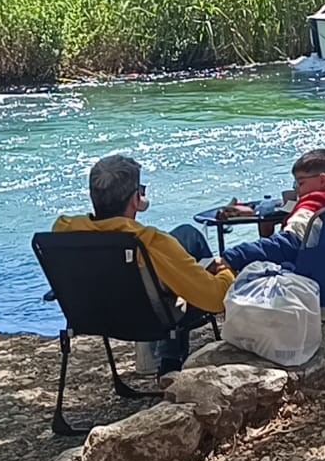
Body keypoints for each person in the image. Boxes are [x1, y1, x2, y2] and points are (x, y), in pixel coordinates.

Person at [53, 155, 233, 373]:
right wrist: (225, 271)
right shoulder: (151, 243)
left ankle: (163, 360)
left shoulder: (64, 231)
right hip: (151, 318)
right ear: (136, 199)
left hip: (93, 316)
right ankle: (169, 363)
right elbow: (214, 299)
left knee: (186, 235)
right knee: (186, 249)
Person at [221, 149, 325, 270]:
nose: (297, 190)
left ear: (322, 180)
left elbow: (286, 246)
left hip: (319, 287)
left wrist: (234, 256)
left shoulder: (313, 206)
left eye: (300, 183)